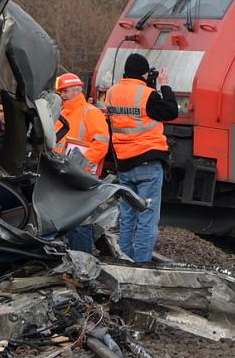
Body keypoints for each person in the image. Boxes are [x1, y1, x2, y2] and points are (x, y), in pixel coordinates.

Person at [105, 53, 178, 263]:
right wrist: (164, 86)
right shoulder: (148, 95)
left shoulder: (111, 93)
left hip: (124, 164)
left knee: (127, 217)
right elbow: (171, 111)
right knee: (146, 217)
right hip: (147, 163)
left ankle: (125, 260)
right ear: (144, 73)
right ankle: (142, 265)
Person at [53, 72, 110, 253]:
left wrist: (80, 167)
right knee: (65, 221)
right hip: (62, 174)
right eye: (60, 91)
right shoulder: (61, 113)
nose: (62, 95)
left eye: (65, 91)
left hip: (79, 175)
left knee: (80, 221)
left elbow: (101, 144)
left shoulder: (90, 112)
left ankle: (83, 263)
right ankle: (73, 261)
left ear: (77, 90)